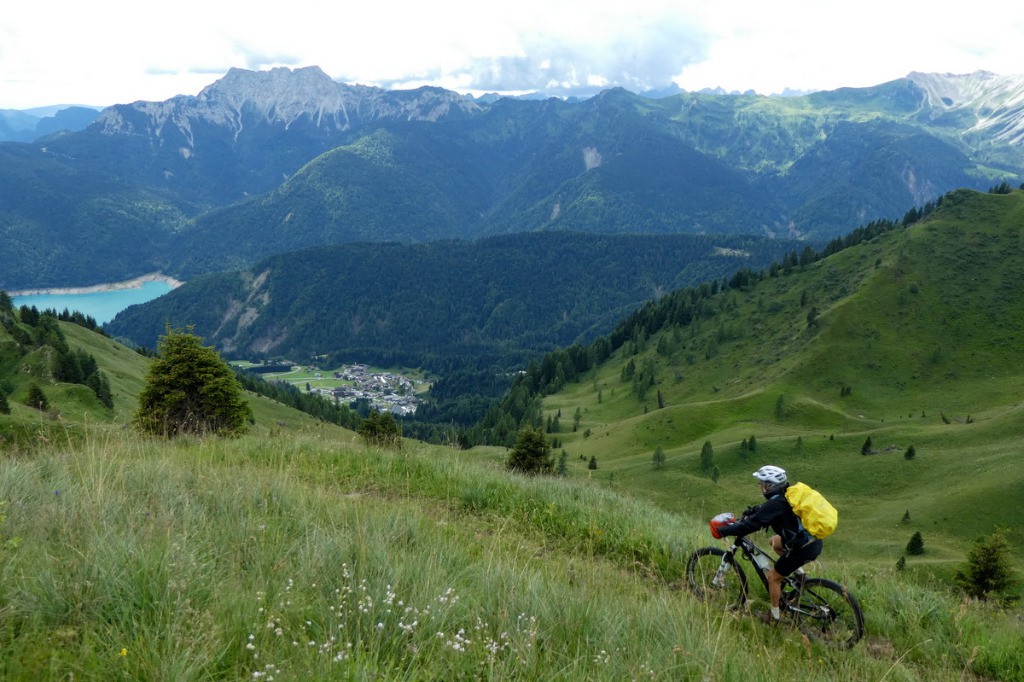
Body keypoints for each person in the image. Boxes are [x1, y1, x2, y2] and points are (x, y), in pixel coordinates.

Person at [714, 464, 822, 624]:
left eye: (762, 483)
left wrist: (723, 531)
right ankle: (800, 576)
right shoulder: (788, 494)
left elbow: (750, 525)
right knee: (774, 542)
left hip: (802, 549)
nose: (760, 486)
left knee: (773, 577)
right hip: (812, 541)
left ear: (770, 486)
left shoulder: (776, 504)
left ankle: (774, 616)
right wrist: (753, 511)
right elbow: (767, 509)